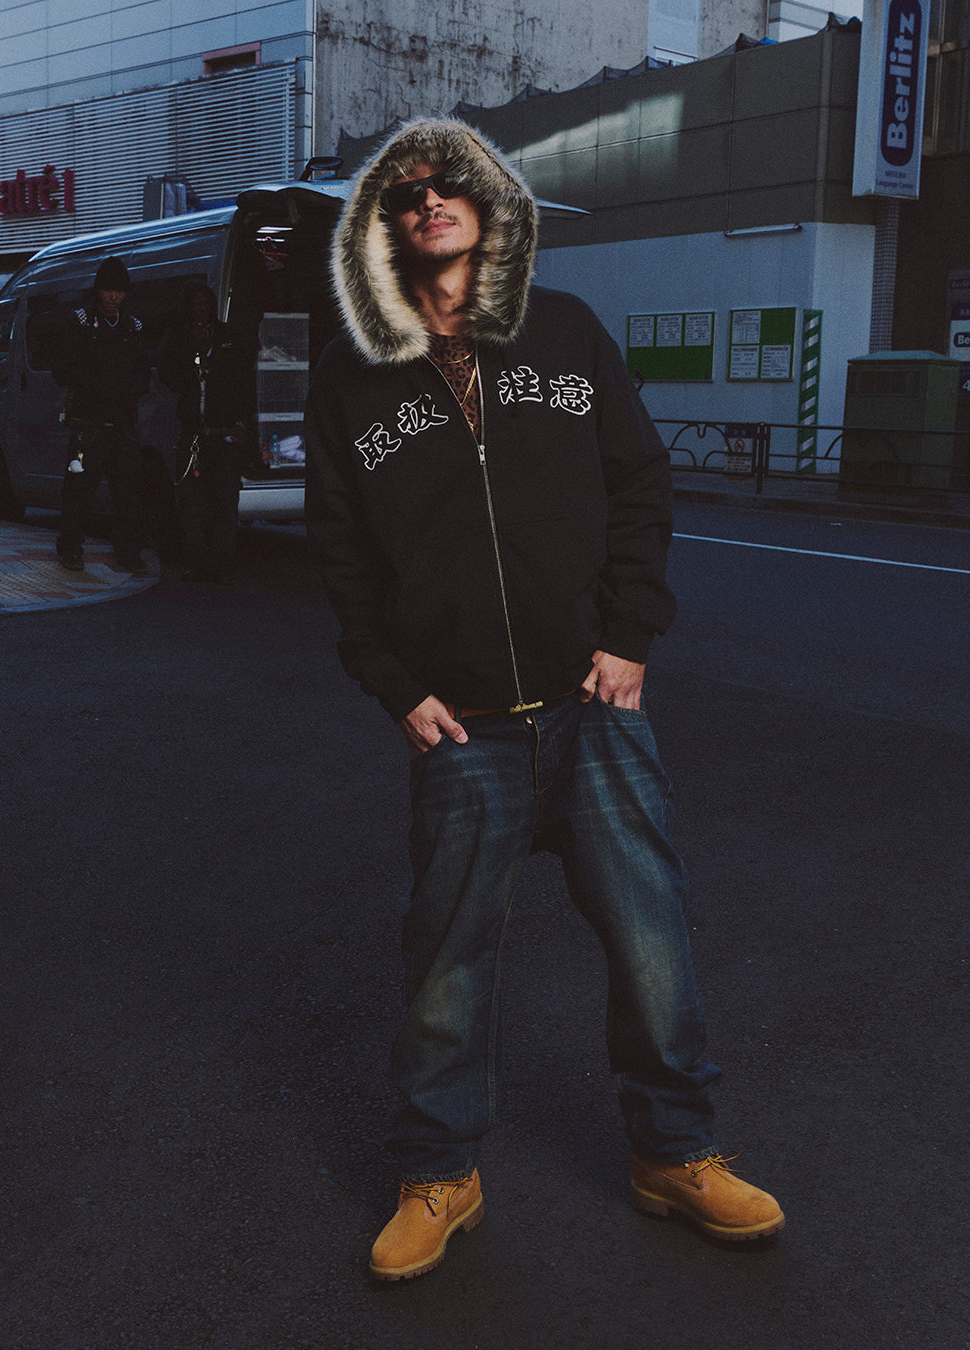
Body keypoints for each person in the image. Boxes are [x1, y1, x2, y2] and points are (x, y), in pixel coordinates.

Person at [304, 119, 784, 1284]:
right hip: (461, 726)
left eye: (449, 183)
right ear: (382, 226)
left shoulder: (565, 332)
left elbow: (640, 483)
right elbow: (342, 557)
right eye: (406, 192)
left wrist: (630, 636)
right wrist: (395, 685)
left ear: (489, 206)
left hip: (591, 704)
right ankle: (440, 1174)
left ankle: (675, 1153)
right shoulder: (353, 378)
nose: (429, 200)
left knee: (652, 943)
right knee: (446, 968)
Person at [50, 256, 151, 573]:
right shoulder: (80, 321)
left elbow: (143, 373)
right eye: (108, 290)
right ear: (98, 290)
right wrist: (95, 385)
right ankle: (70, 549)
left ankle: (128, 552)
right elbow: (61, 369)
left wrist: (130, 391)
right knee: (78, 490)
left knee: (128, 493)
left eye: (119, 291)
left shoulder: (133, 326)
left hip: (122, 425)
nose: (113, 296)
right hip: (88, 424)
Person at [157, 283, 255, 582]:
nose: (200, 310)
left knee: (225, 500)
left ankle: (223, 564)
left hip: (225, 433)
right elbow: (169, 377)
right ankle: (196, 562)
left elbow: (244, 383)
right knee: (192, 501)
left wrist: (243, 423)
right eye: (195, 304)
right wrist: (190, 347)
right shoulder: (179, 338)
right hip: (194, 434)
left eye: (205, 304)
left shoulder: (227, 337)